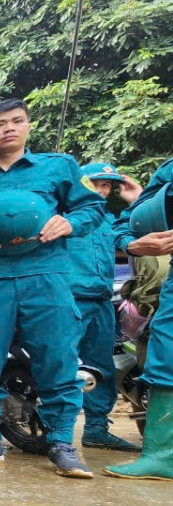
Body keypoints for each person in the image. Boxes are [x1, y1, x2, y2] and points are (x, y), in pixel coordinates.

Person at [0, 99, 106, 478]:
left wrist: (70, 223)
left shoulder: (58, 167)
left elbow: (92, 208)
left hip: (45, 276)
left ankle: (62, 442)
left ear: (29, 127)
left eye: (17, 121)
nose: (9, 128)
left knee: (57, 356)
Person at [106, 156, 173, 480]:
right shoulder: (168, 171)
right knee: (166, 352)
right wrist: (132, 241)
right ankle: (162, 454)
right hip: (146, 302)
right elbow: (127, 226)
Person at [70, 163, 142, 452]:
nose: (102, 190)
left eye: (107, 186)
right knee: (57, 365)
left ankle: (96, 429)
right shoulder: (65, 217)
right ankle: (54, 430)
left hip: (101, 302)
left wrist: (135, 200)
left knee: (101, 368)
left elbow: (130, 233)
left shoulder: (108, 222)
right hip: (67, 300)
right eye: (95, 183)